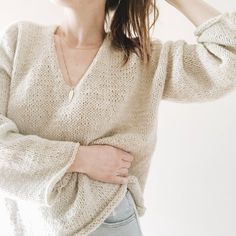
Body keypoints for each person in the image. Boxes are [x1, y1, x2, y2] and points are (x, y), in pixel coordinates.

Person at [0, 0, 235, 235]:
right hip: (28, 224)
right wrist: (78, 159)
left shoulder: (144, 58)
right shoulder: (19, 40)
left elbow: (229, 57)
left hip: (105, 219)